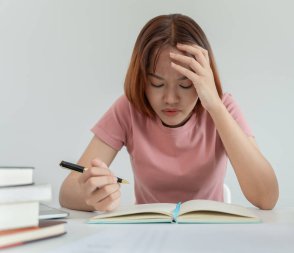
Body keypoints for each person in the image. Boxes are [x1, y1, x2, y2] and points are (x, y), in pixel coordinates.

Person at [59, 14, 279, 212]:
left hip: (210, 235)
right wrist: (94, 194)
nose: (171, 99)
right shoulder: (129, 108)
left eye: (185, 85)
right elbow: (67, 193)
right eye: (157, 84)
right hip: (149, 235)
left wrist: (215, 107)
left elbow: (267, 198)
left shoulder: (222, 106)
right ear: (142, 81)